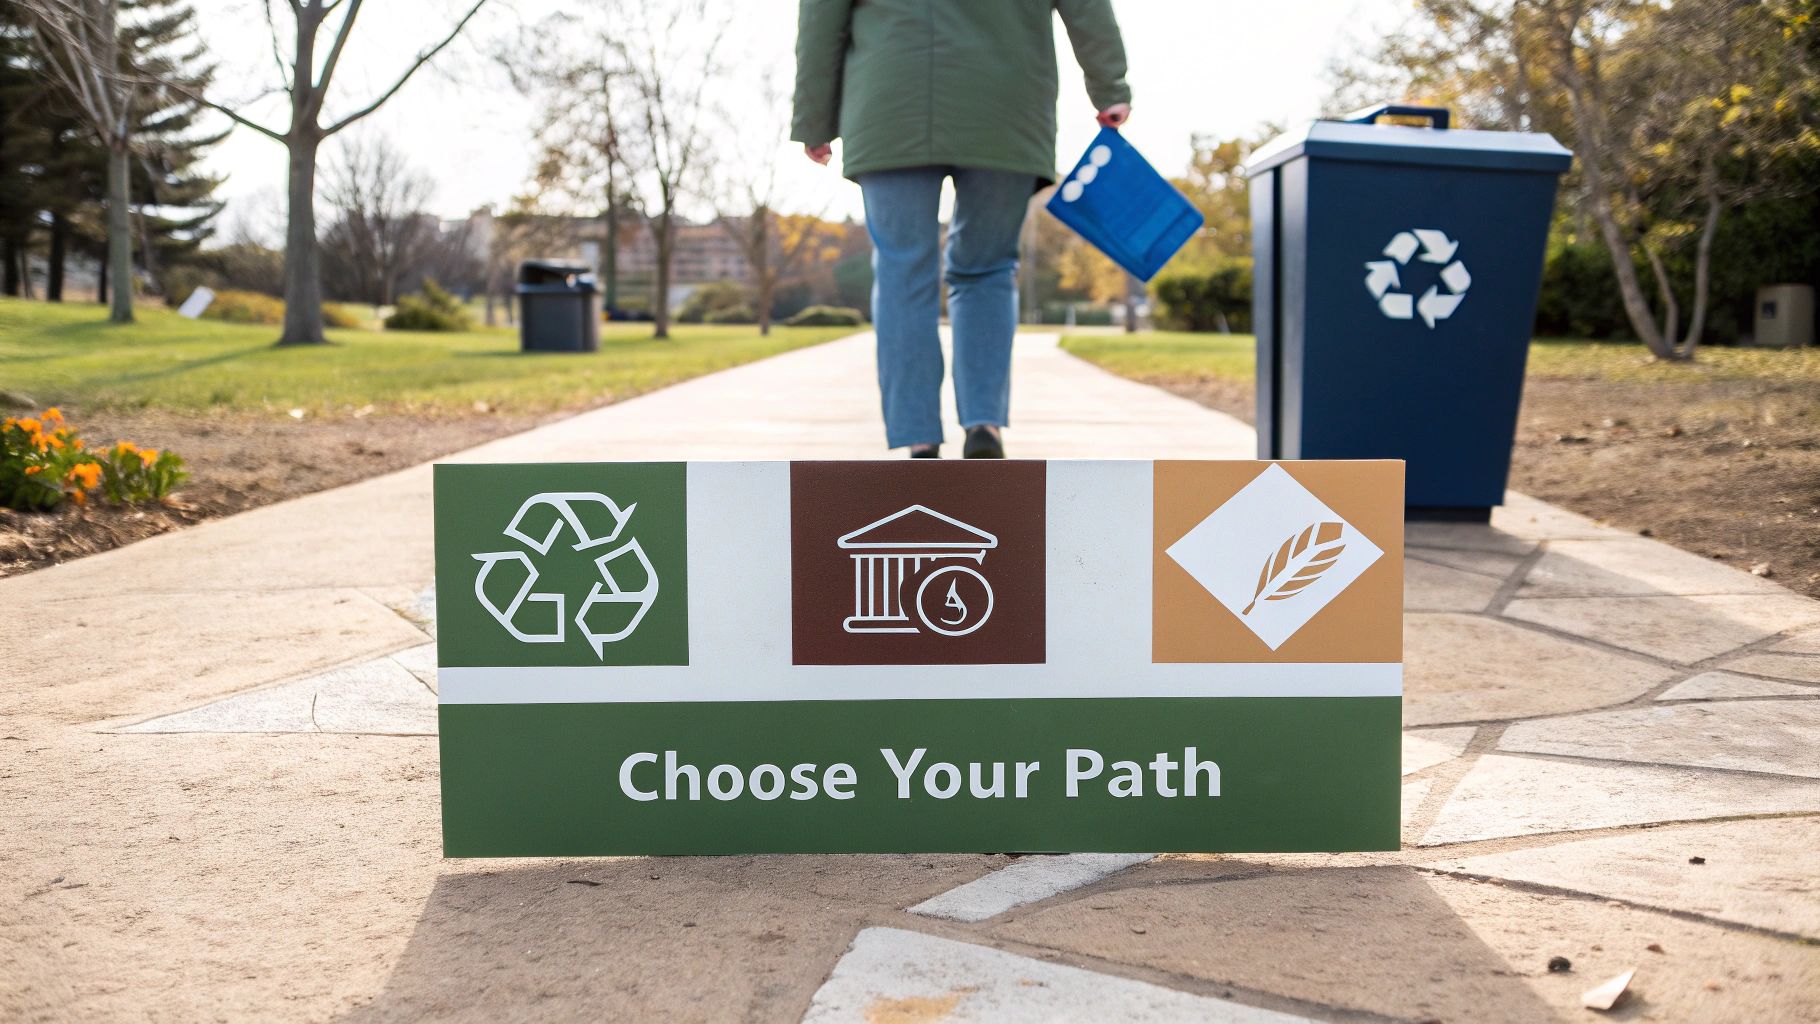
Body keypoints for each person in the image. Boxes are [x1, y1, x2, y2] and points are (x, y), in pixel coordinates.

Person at [792, 0, 1131, 458]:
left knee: (902, 272)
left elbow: (822, 18)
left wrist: (814, 117)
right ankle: (984, 425)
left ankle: (919, 437)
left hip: (891, 102)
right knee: (987, 268)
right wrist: (1109, 86)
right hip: (1006, 102)